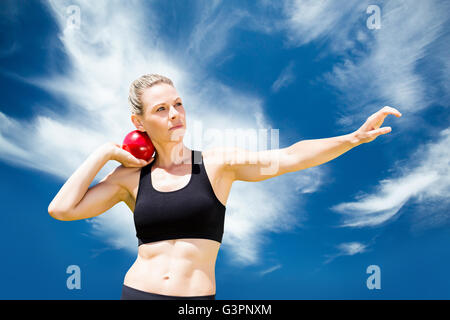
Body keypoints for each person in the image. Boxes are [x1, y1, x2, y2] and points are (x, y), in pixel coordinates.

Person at [48, 74, 402, 300]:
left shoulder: (217, 163)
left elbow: (292, 157)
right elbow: (62, 209)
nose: (174, 114)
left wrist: (353, 138)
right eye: (160, 109)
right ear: (138, 122)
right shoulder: (128, 178)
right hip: (139, 293)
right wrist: (104, 154)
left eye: (178, 104)